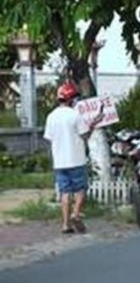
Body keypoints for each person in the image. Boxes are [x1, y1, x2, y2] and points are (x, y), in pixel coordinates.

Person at [43, 82, 103, 234]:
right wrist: (93, 124)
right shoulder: (75, 115)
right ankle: (76, 214)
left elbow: (49, 138)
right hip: (76, 159)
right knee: (80, 190)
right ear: (71, 99)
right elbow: (84, 135)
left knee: (64, 192)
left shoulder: (51, 116)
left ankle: (65, 224)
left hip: (59, 162)